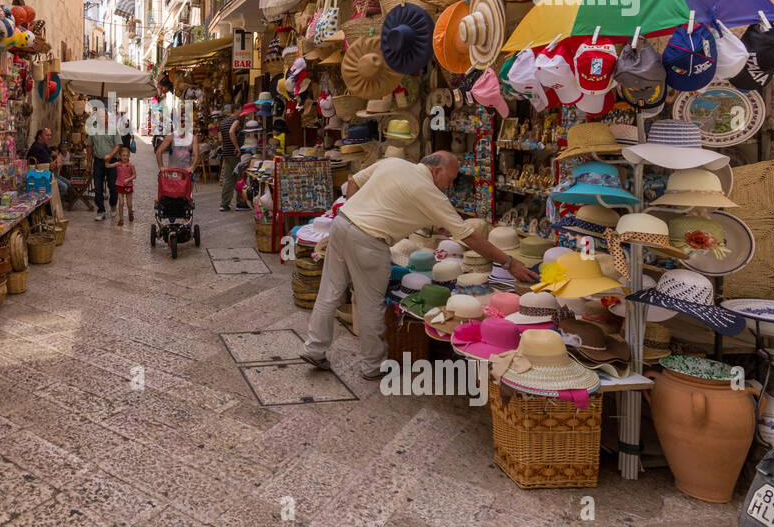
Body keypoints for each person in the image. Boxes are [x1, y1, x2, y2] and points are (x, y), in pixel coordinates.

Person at [299, 151, 540, 379]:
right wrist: (508, 262)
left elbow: (353, 180)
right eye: (451, 178)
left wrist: (358, 213)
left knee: (329, 291)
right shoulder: (429, 191)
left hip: (343, 223)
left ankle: (314, 349)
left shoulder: (394, 162)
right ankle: (372, 366)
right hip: (369, 241)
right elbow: (469, 236)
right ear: (437, 170)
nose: (450, 185)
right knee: (370, 303)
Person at [89, 120, 122, 221]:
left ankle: (112, 204)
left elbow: (118, 144)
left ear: (107, 118)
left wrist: (110, 155)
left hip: (111, 161)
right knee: (98, 187)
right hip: (98, 161)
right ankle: (101, 210)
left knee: (113, 186)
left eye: (103, 116)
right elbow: (89, 146)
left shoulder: (113, 129)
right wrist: (88, 162)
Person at [27, 126, 68, 200]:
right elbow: (51, 166)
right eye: (47, 135)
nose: (50, 137)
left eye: (50, 135)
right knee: (63, 187)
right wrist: (57, 162)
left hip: (47, 174)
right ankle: (50, 206)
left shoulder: (43, 146)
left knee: (68, 183)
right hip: (39, 176)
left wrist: (58, 158)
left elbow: (54, 153)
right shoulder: (37, 148)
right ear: (40, 137)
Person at [216, 104, 242, 211]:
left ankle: (224, 204)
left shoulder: (223, 122)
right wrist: (237, 147)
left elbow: (220, 139)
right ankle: (241, 204)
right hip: (235, 153)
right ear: (236, 110)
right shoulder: (236, 120)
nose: (241, 112)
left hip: (226, 153)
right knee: (239, 178)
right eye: (240, 109)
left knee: (228, 179)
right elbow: (231, 132)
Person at [110, 147, 137, 225]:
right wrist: (106, 159)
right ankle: (121, 219)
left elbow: (135, 175)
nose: (125, 157)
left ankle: (130, 213)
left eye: (127, 155)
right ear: (120, 156)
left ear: (129, 156)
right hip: (119, 185)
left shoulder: (131, 165)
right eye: (123, 155)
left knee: (129, 204)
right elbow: (108, 165)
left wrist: (128, 179)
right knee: (121, 203)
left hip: (128, 185)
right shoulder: (118, 164)